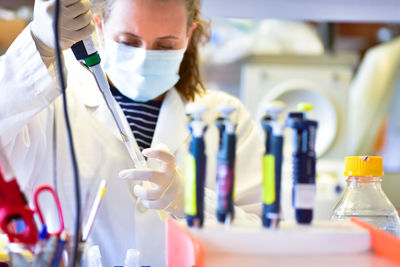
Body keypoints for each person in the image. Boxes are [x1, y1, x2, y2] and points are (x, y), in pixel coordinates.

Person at [0, 0, 264, 265]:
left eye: (166, 46)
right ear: (100, 28)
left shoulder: (226, 119)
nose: (143, 57)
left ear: (189, 35)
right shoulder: (52, 103)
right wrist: (39, 45)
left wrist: (190, 201)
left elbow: (265, 239)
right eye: (128, 41)